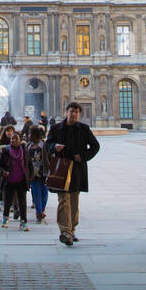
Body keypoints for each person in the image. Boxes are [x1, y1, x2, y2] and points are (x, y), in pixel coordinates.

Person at [45, 102, 100, 246]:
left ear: (79, 114)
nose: (73, 114)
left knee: (74, 201)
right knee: (64, 200)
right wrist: (54, 147)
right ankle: (65, 231)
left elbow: (95, 146)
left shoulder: (84, 129)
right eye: (71, 111)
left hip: (76, 169)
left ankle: (72, 228)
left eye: (76, 112)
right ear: (66, 112)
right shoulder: (56, 128)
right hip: (61, 169)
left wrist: (83, 156)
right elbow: (47, 145)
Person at [0, 131, 31, 230]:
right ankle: (5, 218)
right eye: (12, 138)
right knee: (8, 202)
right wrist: (3, 172)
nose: (14, 140)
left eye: (16, 138)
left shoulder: (24, 150)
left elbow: (29, 164)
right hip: (9, 180)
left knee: (22, 202)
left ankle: (23, 221)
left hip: (21, 180)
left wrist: (29, 176)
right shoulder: (6, 150)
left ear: (20, 140)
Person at [25, 125, 50, 223]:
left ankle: (42, 208)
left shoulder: (43, 145)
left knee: (44, 192)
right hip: (33, 173)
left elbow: (49, 157)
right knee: (36, 193)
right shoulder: (28, 145)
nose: (29, 135)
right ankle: (39, 212)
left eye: (30, 133)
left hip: (43, 172)